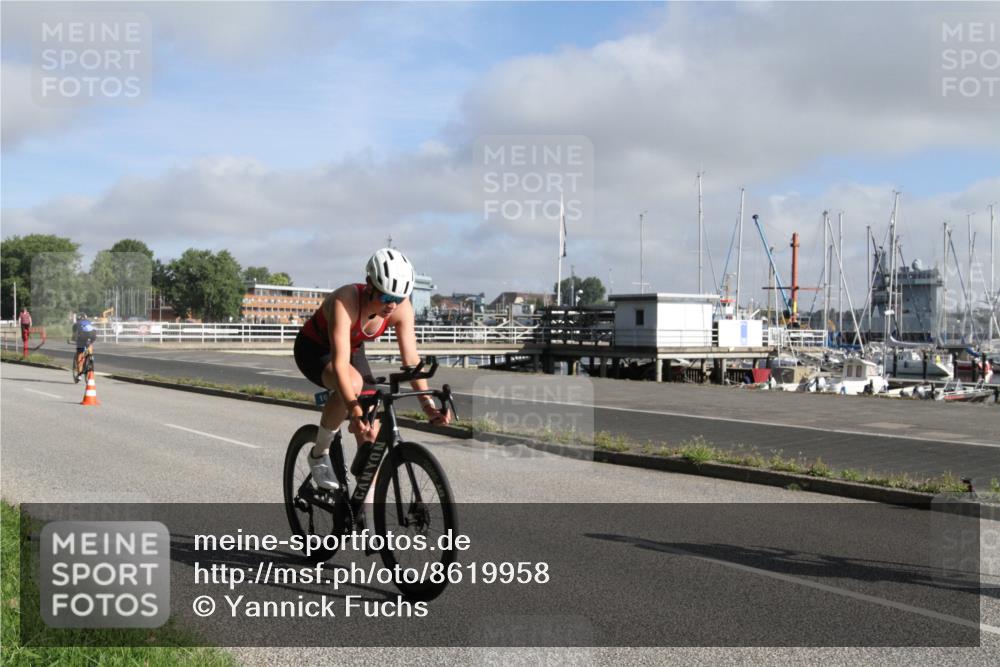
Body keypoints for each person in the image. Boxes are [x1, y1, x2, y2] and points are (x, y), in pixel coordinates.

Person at [293, 248, 451, 491]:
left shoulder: (400, 307)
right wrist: (353, 409)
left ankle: (364, 516)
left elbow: (411, 362)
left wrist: (428, 406)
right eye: (386, 298)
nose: (392, 305)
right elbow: (339, 363)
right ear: (369, 285)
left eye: (398, 298)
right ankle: (319, 453)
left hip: (352, 348)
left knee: (371, 434)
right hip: (314, 349)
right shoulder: (344, 301)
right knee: (353, 387)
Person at [72, 313, 97, 380]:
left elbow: (74, 336)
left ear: (78, 319)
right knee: (89, 343)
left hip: (83, 337)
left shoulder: (76, 324)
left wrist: (73, 340)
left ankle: (79, 375)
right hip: (93, 335)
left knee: (80, 354)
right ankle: (91, 356)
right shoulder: (89, 322)